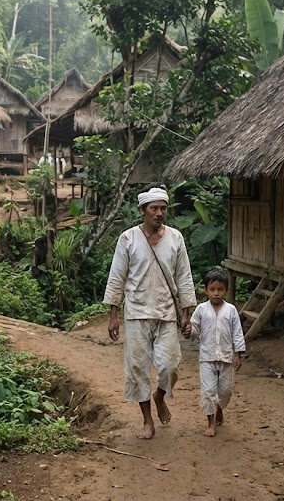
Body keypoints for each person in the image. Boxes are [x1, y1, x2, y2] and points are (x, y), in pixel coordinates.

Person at [104, 186, 196, 439]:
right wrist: (114, 315)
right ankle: (147, 421)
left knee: (170, 366)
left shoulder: (176, 238)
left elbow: (184, 277)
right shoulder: (128, 239)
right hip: (136, 313)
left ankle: (160, 395)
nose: (159, 213)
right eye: (154, 208)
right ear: (142, 210)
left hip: (166, 312)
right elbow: (117, 278)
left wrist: (185, 313)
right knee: (138, 369)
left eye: (163, 208)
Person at [183, 269, 245, 437]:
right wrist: (188, 330)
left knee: (225, 391)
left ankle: (219, 408)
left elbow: (237, 332)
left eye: (220, 290)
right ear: (206, 290)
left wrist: (238, 354)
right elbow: (194, 330)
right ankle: (210, 423)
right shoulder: (201, 310)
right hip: (207, 358)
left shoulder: (231, 310)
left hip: (226, 358)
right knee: (209, 391)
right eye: (212, 290)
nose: (216, 293)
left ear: (226, 290)